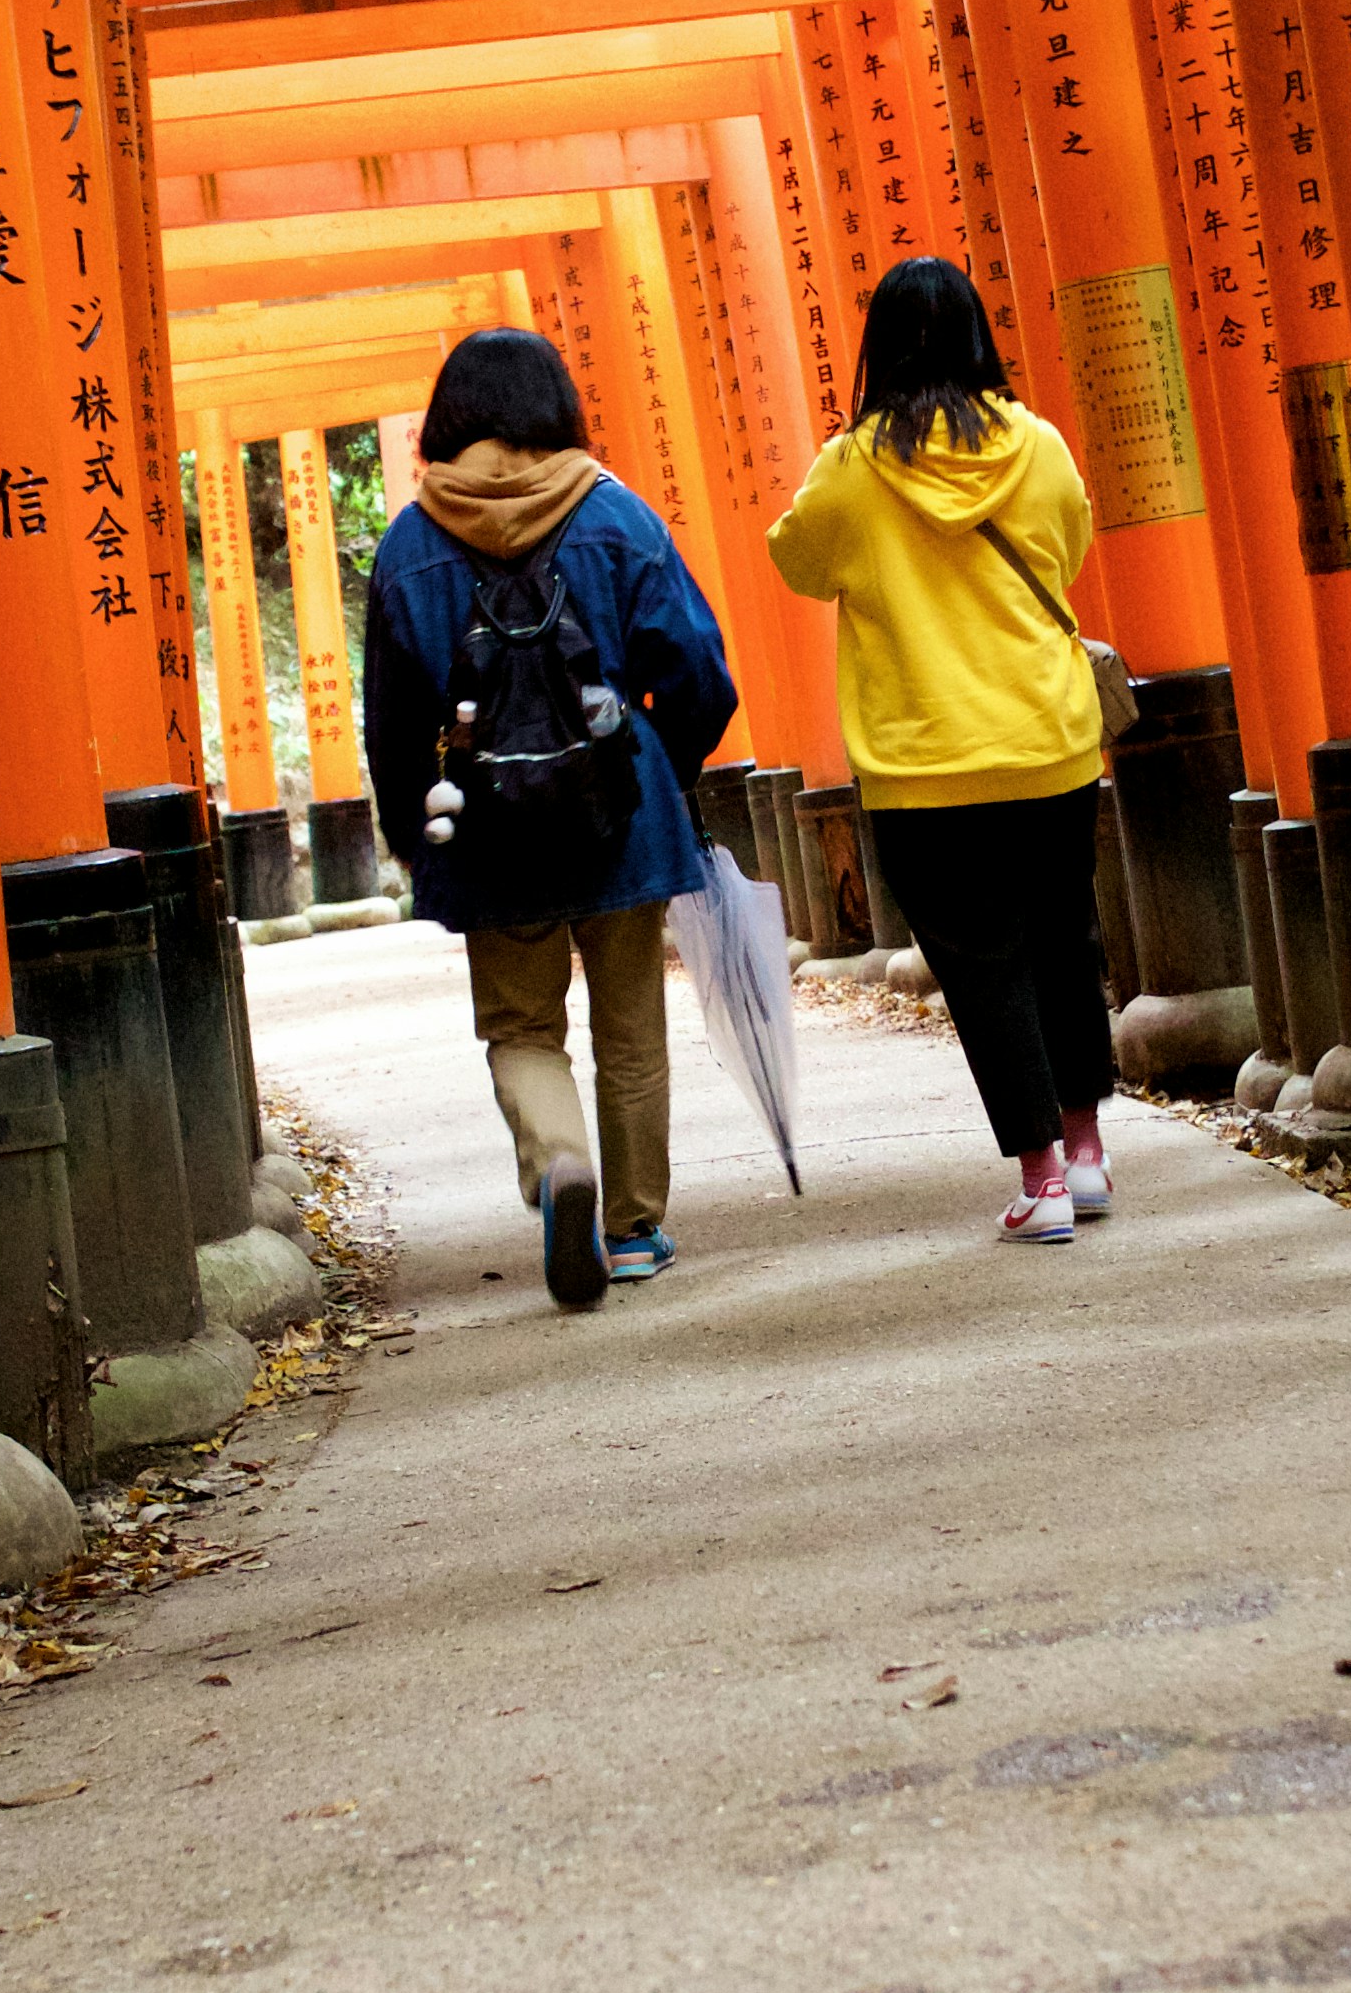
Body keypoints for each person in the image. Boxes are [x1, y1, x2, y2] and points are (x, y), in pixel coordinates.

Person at [360, 328, 738, 1310]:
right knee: (630, 1027)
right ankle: (634, 1229)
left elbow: (393, 722)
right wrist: (666, 767)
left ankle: (561, 1162)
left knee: (523, 1027)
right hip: (622, 813)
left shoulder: (409, 542)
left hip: (488, 826)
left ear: (449, 419)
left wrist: (416, 835)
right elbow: (697, 670)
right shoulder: (615, 514)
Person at [765, 255, 1123, 1243]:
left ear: (878, 350)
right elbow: (1071, 544)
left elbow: (795, 559)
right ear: (978, 337)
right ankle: (1089, 1152)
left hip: (924, 765)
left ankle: (1041, 1178)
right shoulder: (1038, 446)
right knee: (1063, 938)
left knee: (983, 965)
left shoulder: (853, 467)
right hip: (1045, 739)